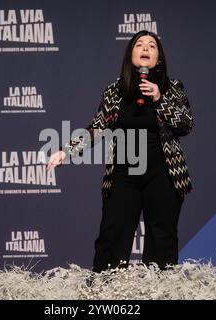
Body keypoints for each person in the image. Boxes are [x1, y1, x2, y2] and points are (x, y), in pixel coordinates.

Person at [47, 30, 193, 272]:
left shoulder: (172, 88)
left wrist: (160, 99)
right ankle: (105, 294)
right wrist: (67, 151)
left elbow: (186, 125)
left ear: (159, 58)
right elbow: (97, 128)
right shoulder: (115, 90)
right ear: (131, 54)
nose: (145, 48)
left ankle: (161, 293)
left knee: (162, 240)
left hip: (164, 174)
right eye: (139, 45)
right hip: (123, 173)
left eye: (152, 46)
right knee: (111, 239)